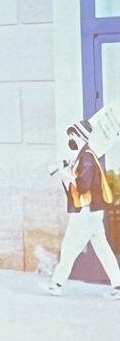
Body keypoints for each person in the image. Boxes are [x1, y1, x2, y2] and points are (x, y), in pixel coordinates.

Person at [48, 120, 120, 298]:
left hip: (85, 213)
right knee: (103, 249)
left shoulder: (86, 157)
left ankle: (57, 284)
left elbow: (82, 185)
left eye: (72, 134)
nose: (70, 137)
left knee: (69, 247)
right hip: (93, 212)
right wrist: (68, 167)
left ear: (79, 136)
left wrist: (61, 173)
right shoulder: (86, 155)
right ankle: (118, 285)